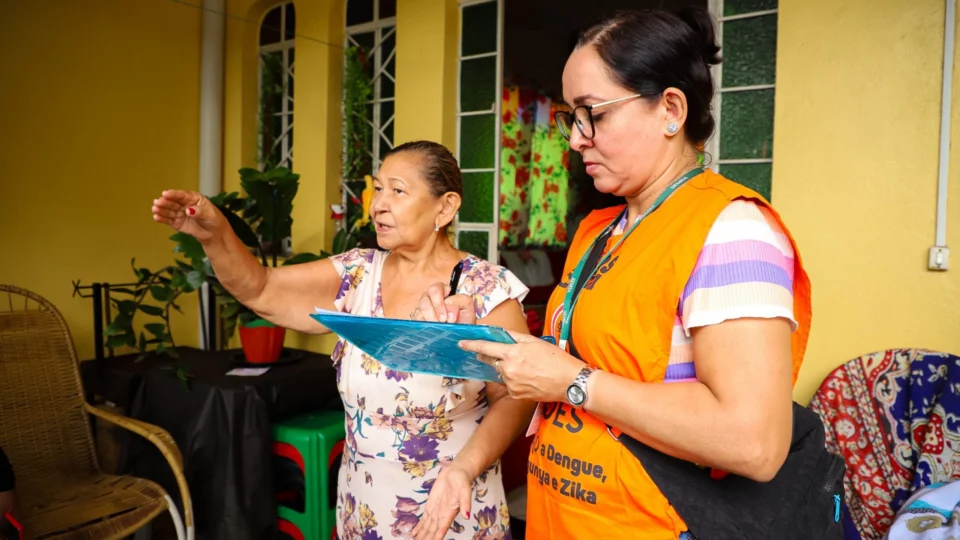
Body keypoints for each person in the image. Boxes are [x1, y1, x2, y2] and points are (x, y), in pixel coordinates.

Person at [421, 8, 812, 539]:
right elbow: (577, 357)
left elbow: (755, 443)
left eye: (593, 114)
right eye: (571, 118)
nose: (576, 139)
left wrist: (573, 382)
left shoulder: (730, 229)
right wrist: (481, 337)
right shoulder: (600, 230)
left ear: (670, 109)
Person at [151, 141, 534, 540]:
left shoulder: (485, 288)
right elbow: (260, 288)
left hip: (452, 507)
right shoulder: (357, 274)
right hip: (363, 508)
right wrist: (215, 235)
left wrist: (464, 469)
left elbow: (515, 396)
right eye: (378, 188)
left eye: (397, 190)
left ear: (445, 207)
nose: (378, 205)